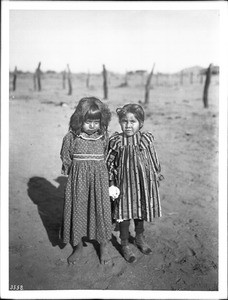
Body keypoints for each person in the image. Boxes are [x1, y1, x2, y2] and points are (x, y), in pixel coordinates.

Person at [60, 96, 115, 266]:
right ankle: (78, 247)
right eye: (88, 121)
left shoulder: (103, 137)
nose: (92, 125)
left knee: (101, 211)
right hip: (78, 183)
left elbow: (108, 156)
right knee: (77, 210)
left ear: (102, 121)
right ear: (79, 120)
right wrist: (77, 174)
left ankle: (104, 246)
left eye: (96, 121)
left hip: (99, 182)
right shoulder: (72, 137)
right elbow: (66, 157)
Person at [106, 103, 164, 263]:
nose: (128, 125)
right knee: (123, 215)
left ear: (141, 123)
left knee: (140, 212)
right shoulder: (116, 141)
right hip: (123, 185)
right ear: (120, 122)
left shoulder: (145, 140)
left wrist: (156, 176)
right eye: (124, 121)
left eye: (133, 121)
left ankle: (139, 238)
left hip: (142, 184)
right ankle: (124, 244)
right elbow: (110, 163)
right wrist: (111, 184)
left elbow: (153, 159)